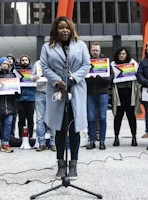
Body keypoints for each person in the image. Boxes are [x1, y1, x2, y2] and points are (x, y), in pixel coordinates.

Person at [40, 16, 90, 180]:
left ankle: (73, 164)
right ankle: (61, 164)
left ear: (72, 29)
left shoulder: (80, 45)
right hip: (57, 89)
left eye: (67, 27)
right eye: (61, 27)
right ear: (56, 30)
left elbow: (86, 65)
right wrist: (57, 81)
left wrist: (73, 78)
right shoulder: (47, 47)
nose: (64, 30)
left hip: (76, 89)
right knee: (60, 129)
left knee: (74, 128)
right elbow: (44, 66)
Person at [111, 47, 141, 147]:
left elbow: (138, 77)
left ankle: (134, 137)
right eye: (120, 54)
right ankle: (116, 137)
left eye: (123, 53)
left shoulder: (133, 63)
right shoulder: (113, 65)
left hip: (130, 94)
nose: (122, 55)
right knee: (117, 117)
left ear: (127, 54)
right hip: (118, 95)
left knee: (131, 116)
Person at [85, 42, 113, 150]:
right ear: (90, 51)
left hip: (103, 93)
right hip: (90, 93)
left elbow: (111, 77)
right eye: (93, 50)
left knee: (102, 117)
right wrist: (89, 79)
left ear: (100, 51)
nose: (95, 52)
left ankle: (102, 140)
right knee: (91, 118)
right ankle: (92, 140)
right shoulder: (86, 62)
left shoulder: (105, 62)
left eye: (97, 50)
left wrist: (101, 79)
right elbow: (82, 76)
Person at [0, 56, 19, 153]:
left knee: (8, 123)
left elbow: (18, 91)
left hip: (10, 105)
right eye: (3, 63)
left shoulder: (13, 76)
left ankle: (6, 143)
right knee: (1, 125)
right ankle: (3, 142)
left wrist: (17, 93)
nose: (5, 65)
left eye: (7, 64)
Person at [32, 59, 55, 151]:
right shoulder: (38, 63)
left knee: (53, 118)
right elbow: (31, 76)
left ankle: (53, 142)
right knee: (39, 119)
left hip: (52, 92)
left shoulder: (54, 61)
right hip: (40, 93)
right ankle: (41, 143)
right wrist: (34, 78)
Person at [15, 54, 36, 138]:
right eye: (23, 60)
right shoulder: (16, 72)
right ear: (20, 62)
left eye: (26, 60)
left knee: (30, 118)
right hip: (20, 99)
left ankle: (30, 136)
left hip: (31, 98)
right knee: (21, 119)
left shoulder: (34, 72)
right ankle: (21, 136)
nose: (24, 62)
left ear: (29, 61)